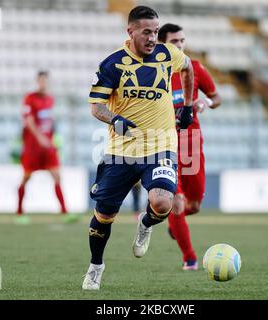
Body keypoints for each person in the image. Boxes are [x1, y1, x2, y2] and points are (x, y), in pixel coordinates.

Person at [83, 6, 194, 290]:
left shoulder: (168, 54)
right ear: (130, 32)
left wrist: (189, 107)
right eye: (147, 32)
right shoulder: (112, 64)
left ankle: (145, 223)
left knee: (162, 202)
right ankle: (96, 266)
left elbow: (189, 67)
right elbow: (96, 107)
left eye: (156, 32)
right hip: (122, 152)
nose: (153, 38)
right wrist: (114, 118)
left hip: (161, 145)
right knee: (103, 216)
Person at [158, 23, 222, 270]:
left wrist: (206, 102)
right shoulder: (155, 73)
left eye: (182, 41)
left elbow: (218, 98)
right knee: (177, 202)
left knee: (193, 205)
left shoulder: (194, 68)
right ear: (163, 45)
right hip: (165, 145)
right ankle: (190, 258)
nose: (180, 45)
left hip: (191, 143)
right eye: (175, 42)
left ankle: (170, 221)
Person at [16, 71, 75, 224]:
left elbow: (49, 120)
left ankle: (64, 212)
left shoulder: (50, 99)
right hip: (33, 147)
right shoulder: (30, 98)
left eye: (46, 81)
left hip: (48, 147)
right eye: (41, 81)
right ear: (37, 81)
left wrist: (52, 138)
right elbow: (28, 121)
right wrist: (40, 137)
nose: (43, 83)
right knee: (26, 178)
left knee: (57, 176)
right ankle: (19, 212)